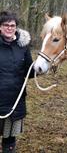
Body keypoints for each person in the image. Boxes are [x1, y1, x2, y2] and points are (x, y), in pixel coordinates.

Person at [0, 11, 34, 153]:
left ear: (16, 27)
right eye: (6, 25)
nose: (9, 27)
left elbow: (30, 73)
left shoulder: (23, 47)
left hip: (15, 102)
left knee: (9, 138)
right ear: (0, 27)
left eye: (12, 25)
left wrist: (41, 67)